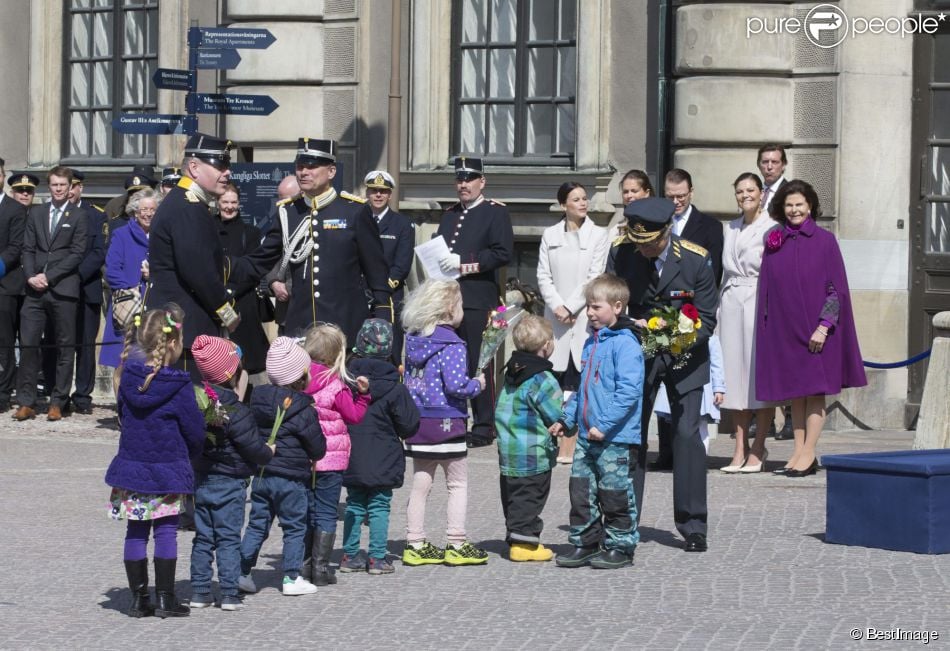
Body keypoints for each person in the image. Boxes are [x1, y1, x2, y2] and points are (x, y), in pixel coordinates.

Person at [613, 197, 718, 552]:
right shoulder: (623, 253)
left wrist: (670, 338)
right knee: (632, 436)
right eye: (638, 242)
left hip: (685, 355)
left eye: (651, 244)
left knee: (688, 436)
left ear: (667, 232)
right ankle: (624, 518)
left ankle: (693, 525)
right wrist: (633, 326)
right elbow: (611, 306)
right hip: (638, 355)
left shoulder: (695, 258)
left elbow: (706, 320)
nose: (643, 250)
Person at [755, 180, 867, 477]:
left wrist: (824, 326)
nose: (794, 209)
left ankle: (809, 453)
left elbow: (836, 290)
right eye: (789, 205)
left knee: (815, 392)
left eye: (799, 205)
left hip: (819, 332)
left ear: (810, 207)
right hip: (787, 331)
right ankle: (798, 451)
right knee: (797, 394)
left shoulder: (825, 241)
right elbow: (768, 290)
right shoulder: (774, 240)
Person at [235, 137, 393, 343]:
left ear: (331, 171)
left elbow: (376, 271)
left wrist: (382, 320)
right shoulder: (288, 212)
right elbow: (262, 259)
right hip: (301, 326)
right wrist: (226, 269)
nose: (304, 172)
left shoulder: (354, 211)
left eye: (312, 166)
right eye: (300, 166)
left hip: (345, 325)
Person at [104, 304, 205, 618]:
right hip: (168, 471)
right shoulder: (179, 385)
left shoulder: (126, 376)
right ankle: (165, 598)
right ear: (173, 343)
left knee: (136, 532)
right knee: (165, 533)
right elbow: (194, 430)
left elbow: (123, 417)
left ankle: (137, 599)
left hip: (132, 470)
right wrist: (193, 454)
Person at [549, 274, 643, 569]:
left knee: (614, 494)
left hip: (615, 437)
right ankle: (585, 542)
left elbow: (629, 393)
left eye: (596, 307)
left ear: (617, 306)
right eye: (588, 307)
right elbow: (582, 389)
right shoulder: (592, 342)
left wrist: (603, 424)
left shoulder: (626, 345)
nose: (589, 313)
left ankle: (621, 546)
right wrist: (567, 420)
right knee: (581, 491)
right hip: (588, 436)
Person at [401, 279, 488, 566]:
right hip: (448, 421)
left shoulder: (414, 340)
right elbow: (456, 386)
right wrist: (477, 384)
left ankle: (414, 543)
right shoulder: (451, 343)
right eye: (460, 304)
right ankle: (456, 542)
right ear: (449, 309)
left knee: (420, 484)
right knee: (458, 484)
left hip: (419, 422)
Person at [644, 169, 724, 471]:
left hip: (689, 313)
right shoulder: (654, 224)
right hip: (656, 319)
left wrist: (687, 318)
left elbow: (710, 275)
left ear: (691, 192)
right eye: (670, 196)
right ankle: (664, 450)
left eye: (681, 196)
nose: (676, 201)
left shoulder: (710, 227)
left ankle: (685, 453)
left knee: (685, 393)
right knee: (658, 389)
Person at [189, 335, 275, 612]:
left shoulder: (196, 404)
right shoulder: (236, 411)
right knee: (228, 538)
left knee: (203, 537)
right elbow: (253, 448)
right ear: (233, 373)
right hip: (231, 483)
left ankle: (200, 592)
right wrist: (268, 452)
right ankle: (228, 592)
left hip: (202, 480)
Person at [436, 156, 514, 447]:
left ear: (482, 181)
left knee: (478, 364)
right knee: (449, 362)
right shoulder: (449, 214)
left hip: (478, 299)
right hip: (448, 300)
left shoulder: (495, 213)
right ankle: (454, 419)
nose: (463, 184)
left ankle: (483, 426)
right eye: (459, 179)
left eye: (469, 179)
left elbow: (502, 252)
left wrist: (465, 264)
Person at [240, 337, 326, 597]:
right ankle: (291, 577)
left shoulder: (257, 400)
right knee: (294, 527)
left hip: (263, 475)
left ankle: (241, 572)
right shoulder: (303, 409)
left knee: (257, 525)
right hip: (291, 479)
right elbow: (317, 448)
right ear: (300, 376)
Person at [147, 133, 241, 360]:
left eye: (227, 164)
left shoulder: (188, 203)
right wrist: (228, 314)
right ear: (194, 167)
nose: (227, 172)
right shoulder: (188, 207)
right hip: (186, 333)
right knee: (194, 395)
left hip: (180, 328)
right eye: (219, 164)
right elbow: (200, 274)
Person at [536, 181, 610, 464]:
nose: (582, 203)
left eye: (584, 198)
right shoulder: (550, 234)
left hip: (582, 316)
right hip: (556, 318)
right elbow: (543, 274)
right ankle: (551, 438)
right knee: (553, 378)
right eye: (576, 199)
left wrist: (571, 305)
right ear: (564, 204)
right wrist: (556, 305)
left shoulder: (598, 235)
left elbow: (595, 275)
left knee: (578, 378)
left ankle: (572, 440)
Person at [340, 319, 420, 575]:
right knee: (378, 505)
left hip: (351, 453)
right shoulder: (395, 389)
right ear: (389, 350)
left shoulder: (346, 381)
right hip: (384, 455)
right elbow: (409, 425)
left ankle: (349, 555)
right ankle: (376, 557)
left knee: (354, 503)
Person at [13, 166, 88, 422]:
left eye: (62, 185)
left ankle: (58, 401)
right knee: (29, 344)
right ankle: (26, 401)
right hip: (34, 289)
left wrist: (50, 276)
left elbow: (77, 253)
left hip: (63, 288)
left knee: (65, 347)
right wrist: (31, 275)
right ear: (49, 186)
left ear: (70, 188)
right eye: (54, 184)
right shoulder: (36, 213)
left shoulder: (79, 216)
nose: (58, 189)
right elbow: (27, 247)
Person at [301, 322, 370, 586]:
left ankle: (304, 564)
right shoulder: (335, 384)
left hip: (305, 456)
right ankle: (320, 569)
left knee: (307, 509)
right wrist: (363, 396)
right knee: (327, 511)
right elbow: (354, 416)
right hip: (332, 458)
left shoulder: (297, 380)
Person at [719, 172, 779, 473]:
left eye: (751, 190)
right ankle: (739, 446)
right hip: (731, 300)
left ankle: (759, 446)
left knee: (757, 376)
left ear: (762, 193)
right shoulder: (729, 227)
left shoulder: (772, 227)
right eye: (740, 191)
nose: (745, 195)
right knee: (735, 378)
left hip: (758, 298)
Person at [494, 315, 563, 562]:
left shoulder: (511, 373)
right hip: (533, 453)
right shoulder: (543, 379)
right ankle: (524, 544)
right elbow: (555, 413)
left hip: (509, 451)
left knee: (513, 497)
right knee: (531, 497)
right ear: (546, 346)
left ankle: (515, 535)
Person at [756, 144, 792, 441]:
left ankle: (791, 416)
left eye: (775, 161)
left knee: (786, 348)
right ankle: (761, 415)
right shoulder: (754, 191)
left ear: (783, 165)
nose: (769, 166)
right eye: (765, 161)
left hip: (783, 274)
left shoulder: (790, 193)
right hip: (757, 275)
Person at [64, 169, 107, 414]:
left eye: (74, 186)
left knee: (85, 345)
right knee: (59, 342)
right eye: (66, 186)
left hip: (85, 286)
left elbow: (99, 252)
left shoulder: (96, 216)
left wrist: (74, 275)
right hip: (59, 288)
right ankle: (57, 392)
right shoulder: (53, 213)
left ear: (80, 188)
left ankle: (82, 396)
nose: (69, 191)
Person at [216, 183, 268, 375]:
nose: (229, 206)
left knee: (245, 361)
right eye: (225, 202)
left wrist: (231, 291)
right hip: (213, 298)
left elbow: (254, 269)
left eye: (233, 202)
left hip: (242, 301)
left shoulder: (251, 232)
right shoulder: (207, 228)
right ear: (217, 202)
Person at [364, 170, 414, 363]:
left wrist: (381, 288)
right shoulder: (358, 220)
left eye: (383, 191)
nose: (378, 195)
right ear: (367, 193)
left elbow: (402, 265)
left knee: (389, 350)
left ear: (390, 195)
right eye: (374, 190)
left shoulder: (402, 224)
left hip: (388, 297)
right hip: (362, 294)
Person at [0, 174, 28, 413]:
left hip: (5, 284)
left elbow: (15, 246)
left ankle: (3, 392)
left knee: (4, 342)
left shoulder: (14, 209)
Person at [265, 174, 301, 332]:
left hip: (309, 308)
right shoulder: (281, 218)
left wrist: (289, 287)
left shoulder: (310, 217)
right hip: (286, 312)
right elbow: (271, 255)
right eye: (279, 198)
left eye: (286, 198)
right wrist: (273, 281)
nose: (281, 203)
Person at [606, 169, 655, 274]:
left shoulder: (659, 224)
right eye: (625, 192)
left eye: (634, 191)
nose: (629, 196)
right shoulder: (616, 230)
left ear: (647, 193)